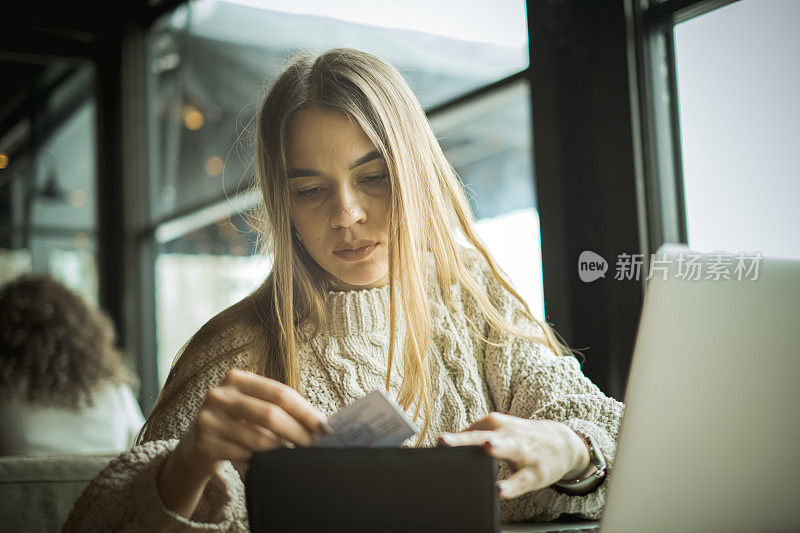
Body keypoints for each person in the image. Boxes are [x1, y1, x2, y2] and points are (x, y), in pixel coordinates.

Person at [65, 48, 625, 530]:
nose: (347, 213)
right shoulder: (233, 355)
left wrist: (574, 451)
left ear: (415, 172)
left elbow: (626, 438)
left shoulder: (475, 302)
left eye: (375, 177)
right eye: (310, 189)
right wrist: (183, 471)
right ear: (283, 206)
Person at [0, 273, 144, 455]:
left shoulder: (6, 397)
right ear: (84, 330)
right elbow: (145, 450)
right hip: (112, 483)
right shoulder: (115, 393)